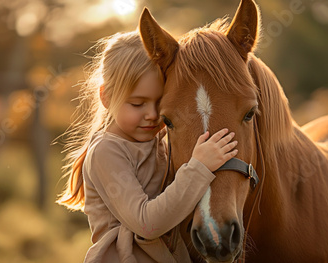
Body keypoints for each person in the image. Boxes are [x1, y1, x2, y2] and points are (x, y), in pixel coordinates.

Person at [57, 31, 238, 263]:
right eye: (137, 103)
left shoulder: (158, 140)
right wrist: (199, 167)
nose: (152, 115)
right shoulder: (106, 152)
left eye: (159, 102)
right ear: (106, 97)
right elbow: (147, 224)